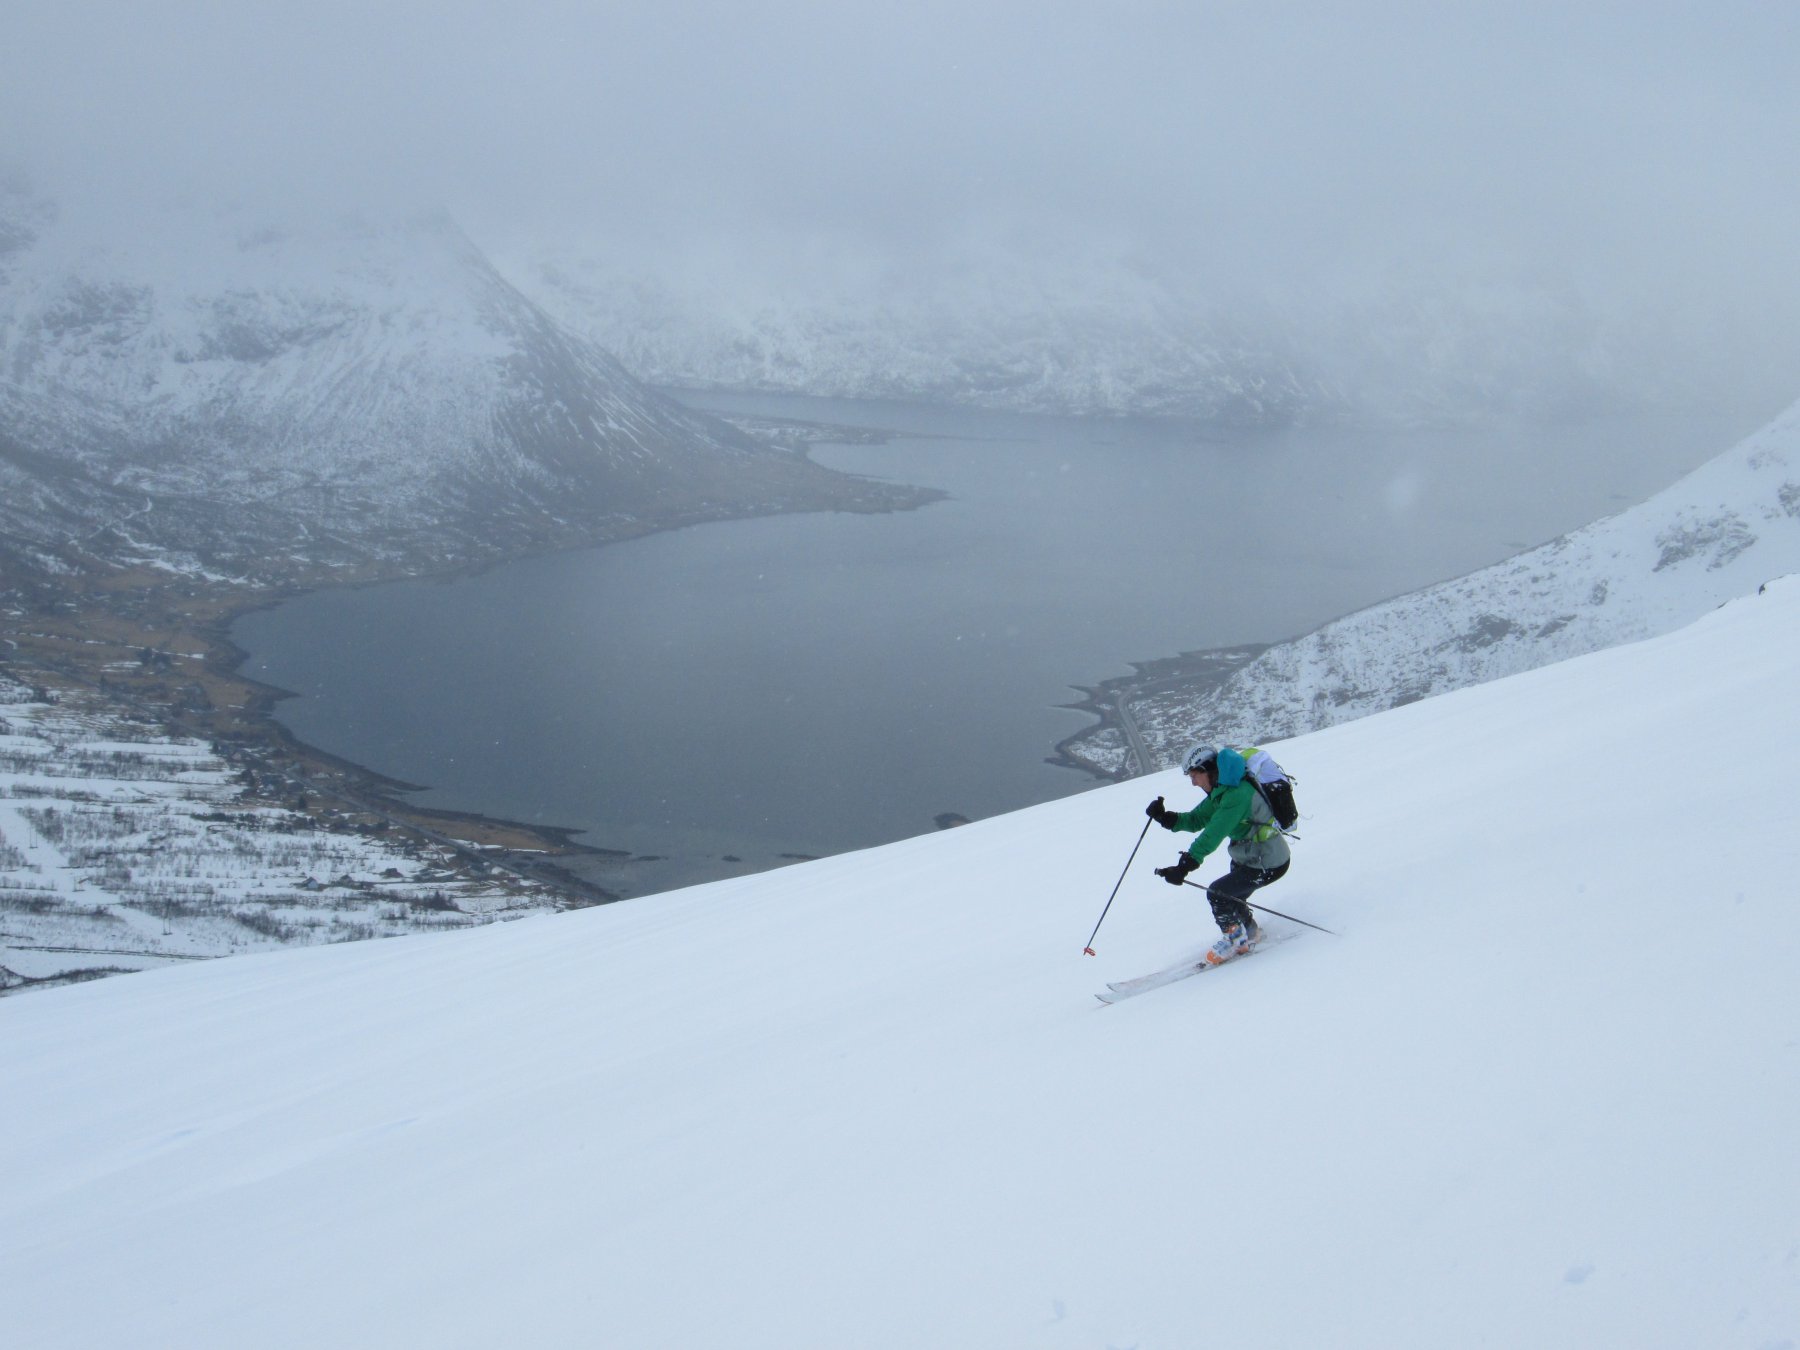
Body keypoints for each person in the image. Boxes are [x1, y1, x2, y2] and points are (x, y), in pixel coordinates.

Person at [1145, 743, 1291, 965]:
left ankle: (1236, 941)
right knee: (1232, 897)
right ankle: (1250, 933)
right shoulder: (1223, 790)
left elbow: (1213, 834)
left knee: (1218, 894)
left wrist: (1185, 865)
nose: (1193, 782)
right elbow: (1197, 819)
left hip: (1268, 860)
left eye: (1194, 776)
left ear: (1207, 770)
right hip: (1249, 858)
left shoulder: (1236, 795)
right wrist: (1165, 817)